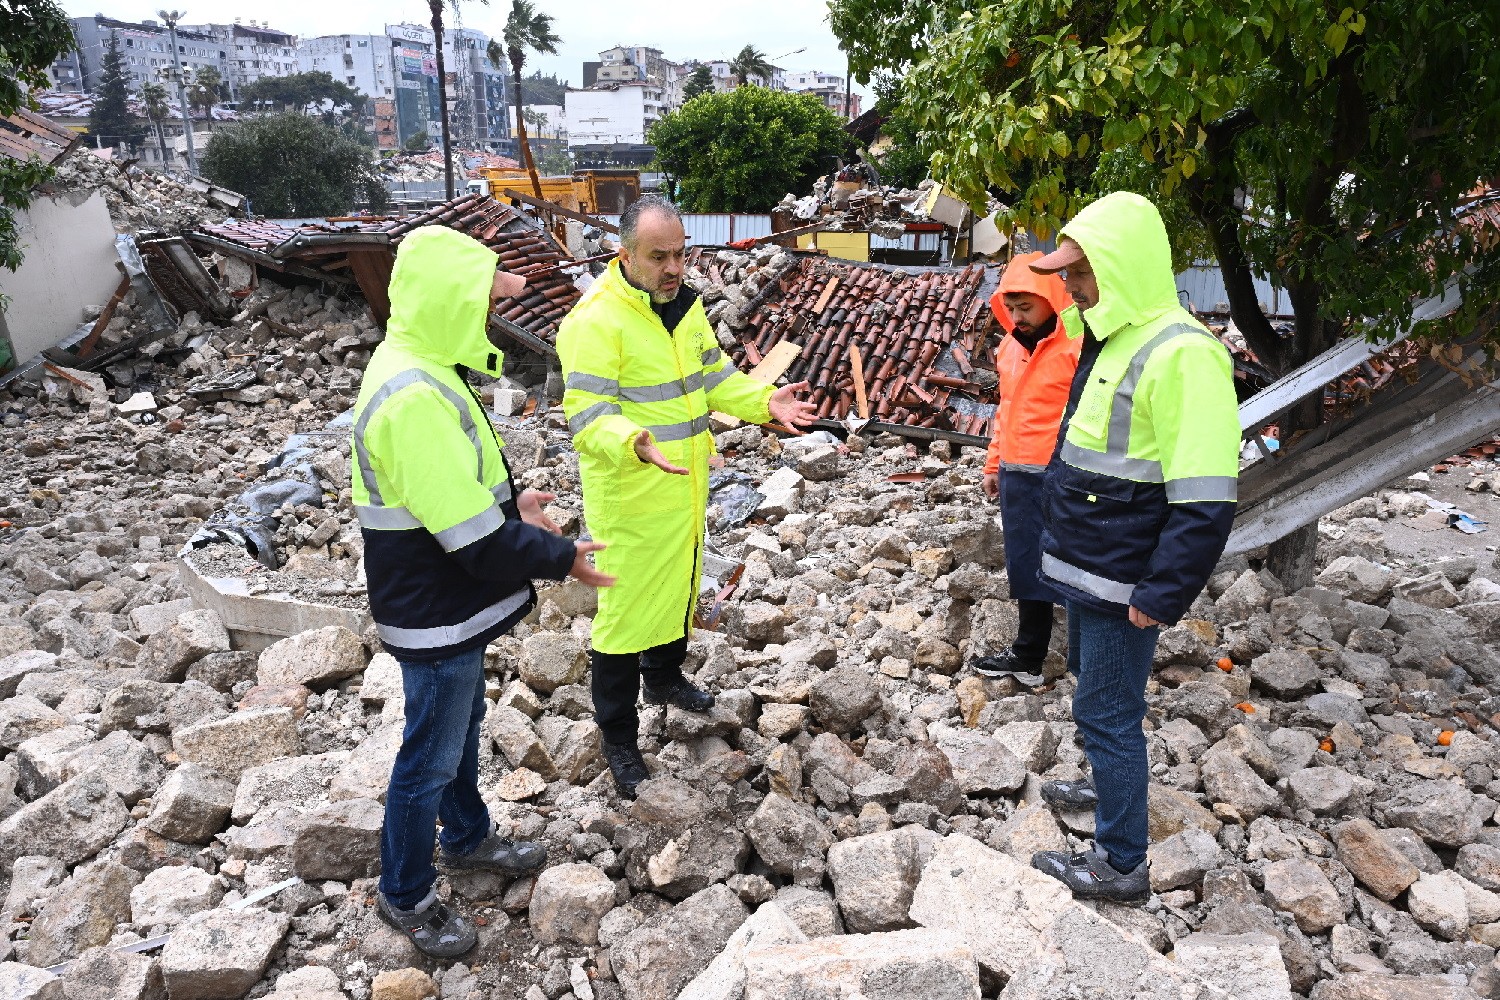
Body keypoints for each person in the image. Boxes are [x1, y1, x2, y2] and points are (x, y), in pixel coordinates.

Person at [351, 226, 615, 958]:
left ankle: (467, 838)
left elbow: (453, 495)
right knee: (429, 757)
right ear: (447, 301)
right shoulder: (412, 395)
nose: (491, 316)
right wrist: (561, 557)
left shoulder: (422, 364)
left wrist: (513, 506)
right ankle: (405, 893)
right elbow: (472, 539)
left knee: (458, 731)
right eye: (482, 302)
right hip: (434, 613)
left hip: (442, 607)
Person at [558, 195, 817, 798]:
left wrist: (764, 401)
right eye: (659, 257)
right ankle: (619, 739)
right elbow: (587, 415)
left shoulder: (684, 307)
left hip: (684, 486)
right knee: (623, 619)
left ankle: (664, 676)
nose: (674, 268)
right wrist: (633, 440)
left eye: (680, 254)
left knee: (680, 586)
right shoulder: (596, 320)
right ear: (624, 254)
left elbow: (714, 377)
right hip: (631, 497)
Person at [1026, 192, 1240, 903]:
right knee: (1093, 690)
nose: (1070, 288)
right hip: (1093, 567)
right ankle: (1106, 789)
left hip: (1124, 581)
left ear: (1121, 266)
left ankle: (1120, 862)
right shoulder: (1114, 334)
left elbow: (1206, 497)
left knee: (1107, 712)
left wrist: (1163, 591)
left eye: (1080, 272)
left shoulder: (1183, 354)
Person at [972, 251, 1082, 682]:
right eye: (1011, 308)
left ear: (1051, 299)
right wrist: (993, 464)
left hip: (1067, 473)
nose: (1017, 318)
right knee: (1026, 563)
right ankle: (1028, 656)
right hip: (1018, 473)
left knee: (1076, 565)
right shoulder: (1008, 348)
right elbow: (1007, 409)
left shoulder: (1079, 346)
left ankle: (1086, 665)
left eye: (1025, 307)